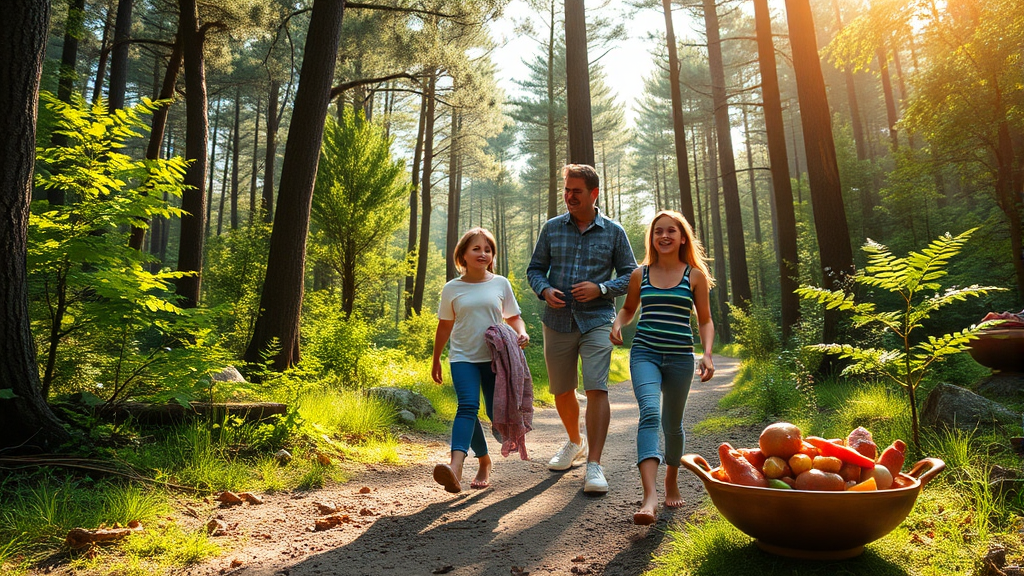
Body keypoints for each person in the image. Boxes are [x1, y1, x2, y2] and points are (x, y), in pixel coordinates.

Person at [527, 164, 637, 494]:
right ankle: (575, 442)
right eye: (566, 190)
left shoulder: (614, 232)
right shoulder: (551, 228)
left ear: (593, 193)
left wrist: (601, 289)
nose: (569, 196)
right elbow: (535, 270)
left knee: (596, 387)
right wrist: (544, 290)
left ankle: (595, 465)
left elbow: (632, 275)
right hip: (557, 321)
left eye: (576, 190)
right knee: (561, 390)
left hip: (598, 320)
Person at [610, 210, 715, 524]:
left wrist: (707, 354)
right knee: (650, 414)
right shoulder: (639, 274)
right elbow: (629, 309)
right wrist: (617, 323)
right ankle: (650, 495)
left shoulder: (693, 276)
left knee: (672, 425)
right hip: (645, 352)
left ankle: (671, 479)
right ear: (652, 238)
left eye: (671, 231)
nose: (664, 236)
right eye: (658, 231)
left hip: (681, 357)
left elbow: (705, 320)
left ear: (682, 237)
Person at [432, 227, 530, 494]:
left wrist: (521, 331)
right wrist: (436, 359)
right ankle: (456, 467)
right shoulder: (451, 288)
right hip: (463, 357)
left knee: (490, 411)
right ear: (462, 254)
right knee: (467, 406)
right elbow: (444, 326)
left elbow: (513, 316)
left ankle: (485, 460)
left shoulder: (500, 284)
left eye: (487, 249)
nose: (482, 253)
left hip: (495, 359)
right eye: (476, 248)